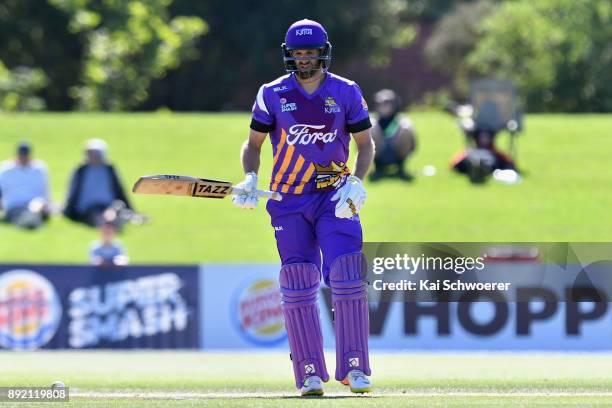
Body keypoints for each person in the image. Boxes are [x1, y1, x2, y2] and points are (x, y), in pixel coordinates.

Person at [232, 19, 374, 396]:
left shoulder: (345, 91)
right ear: (288, 54)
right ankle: (309, 373)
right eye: (298, 53)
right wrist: (249, 177)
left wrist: (357, 181)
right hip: (287, 199)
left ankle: (355, 368)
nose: (304, 59)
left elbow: (366, 144)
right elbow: (253, 144)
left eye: (310, 52)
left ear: (323, 52)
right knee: (297, 284)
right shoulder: (272, 93)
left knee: (346, 276)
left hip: (335, 196)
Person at [63, 139, 133, 227]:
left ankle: (110, 221)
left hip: (107, 205)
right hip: (88, 207)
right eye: (90, 154)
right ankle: (109, 224)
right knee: (98, 215)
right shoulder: (81, 171)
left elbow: (119, 189)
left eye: (96, 154)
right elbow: (72, 192)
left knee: (111, 211)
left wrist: (130, 206)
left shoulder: (109, 170)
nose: (93, 157)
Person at [0, 142, 52, 229]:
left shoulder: (39, 169)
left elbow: (45, 190)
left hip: (36, 205)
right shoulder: (6, 170)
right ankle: (28, 221)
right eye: (21, 155)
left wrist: (48, 205)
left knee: (36, 205)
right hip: (15, 206)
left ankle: (29, 220)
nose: (23, 158)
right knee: (20, 213)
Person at [370, 89, 416, 180]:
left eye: (386, 103)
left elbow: (413, 145)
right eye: (380, 104)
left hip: (396, 154)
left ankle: (401, 168)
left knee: (406, 129)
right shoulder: (372, 122)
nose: (383, 106)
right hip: (379, 154)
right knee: (371, 129)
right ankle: (378, 168)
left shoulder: (402, 122)